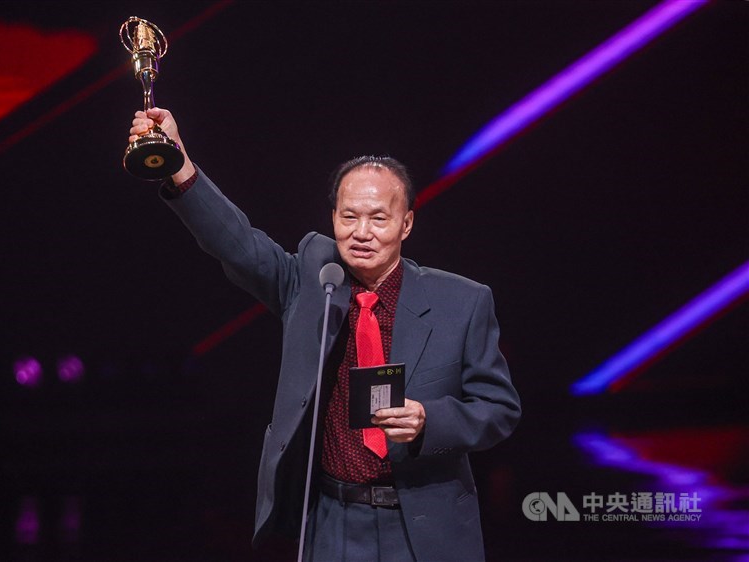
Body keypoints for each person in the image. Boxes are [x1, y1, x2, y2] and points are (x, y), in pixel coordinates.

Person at [129, 107, 521, 561]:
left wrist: (428, 421)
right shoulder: (315, 279)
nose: (361, 233)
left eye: (378, 218)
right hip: (333, 521)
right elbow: (236, 244)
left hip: (423, 527)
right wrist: (179, 164)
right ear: (332, 216)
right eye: (349, 216)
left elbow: (500, 409)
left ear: (406, 224)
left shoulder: (463, 301)